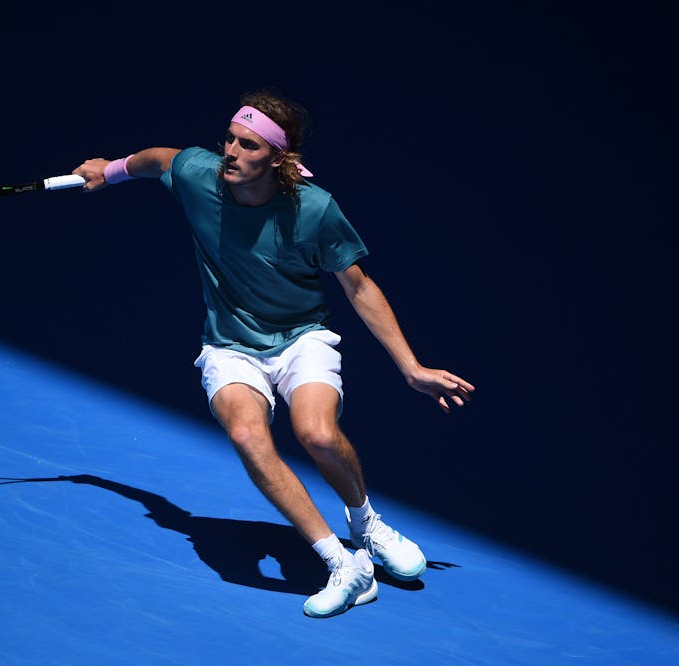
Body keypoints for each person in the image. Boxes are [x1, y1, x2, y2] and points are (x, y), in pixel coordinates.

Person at [72, 90, 475, 618]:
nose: (231, 154)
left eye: (248, 146)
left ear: (279, 160)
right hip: (230, 345)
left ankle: (366, 525)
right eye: (230, 140)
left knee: (318, 433)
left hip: (302, 337)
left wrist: (411, 367)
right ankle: (343, 564)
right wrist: (113, 168)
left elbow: (358, 287)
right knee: (245, 434)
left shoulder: (314, 209)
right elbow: (160, 159)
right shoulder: (200, 173)